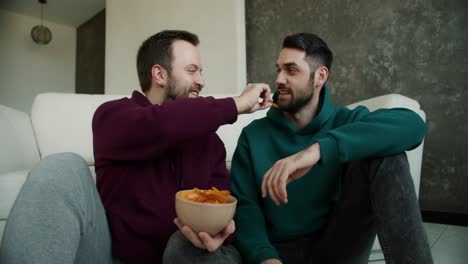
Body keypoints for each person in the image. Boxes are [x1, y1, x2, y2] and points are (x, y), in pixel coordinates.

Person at [0, 30, 271, 264]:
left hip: (186, 254)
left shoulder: (210, 142)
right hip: (114, 255)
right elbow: (163, 125)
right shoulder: (113, 116)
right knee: (61, 166)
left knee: (190, 247)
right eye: (192, 70)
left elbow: (223, 206)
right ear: (159, 74)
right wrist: (236, 104)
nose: (201, 80)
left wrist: (221, 233)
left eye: (201, 71)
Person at [230, 33, 434, 264]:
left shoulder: (346, 121)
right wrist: (265, 258)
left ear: (320, 76)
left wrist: (316, 151)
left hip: (336, 249)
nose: (280, 79)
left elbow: (413, 124)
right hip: (275, 254)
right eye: (279, 70)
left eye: (291, 70)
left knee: (387, 156)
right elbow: (245, 209)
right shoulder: (254, 135)